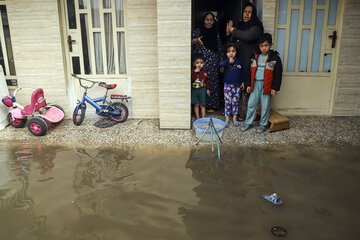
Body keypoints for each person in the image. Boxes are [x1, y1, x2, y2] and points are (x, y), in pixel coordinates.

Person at [226, 2, 264, 121]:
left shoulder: (256, 26)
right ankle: (233, 110)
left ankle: (244, 113)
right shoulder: (240, 25)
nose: (246, 14)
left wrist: (233, 30)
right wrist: (229, 33)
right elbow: (231, 42)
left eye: (249, 12)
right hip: (238, 61)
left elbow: (248, 36)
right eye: (245, 11)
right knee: (235, 86)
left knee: (246, 86)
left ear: (253, 14)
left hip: (249, 61)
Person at [240, 33, 283, 134]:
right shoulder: (254, 56)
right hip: (255, 84)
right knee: (251, 104)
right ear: (259, 46)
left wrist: (275, 87)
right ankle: (248, 122)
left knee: (265, 105)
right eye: (262, 45)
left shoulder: (274, 58)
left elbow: (278, 74)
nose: (264, 48)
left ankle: (263, 124)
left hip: (267, 85)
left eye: (266, 45)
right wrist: (248, 84)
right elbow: (249, 71)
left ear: (271, 45)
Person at [192, 12, 223, 112]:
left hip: (213, 63)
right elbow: (189, 40)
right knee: (201, 82)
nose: (209, 22)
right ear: (203, 20)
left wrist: (221, 62)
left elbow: (220, 48)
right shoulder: (198, 31)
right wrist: (197, 40)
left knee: (212, 83)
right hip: (200, 63)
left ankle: (211, 106)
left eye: (211, 20)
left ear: (214, 21)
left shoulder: (216, 32)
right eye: (207, 19)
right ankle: (200, 106)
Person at [218, 44, 244, 127]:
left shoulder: (239, 62)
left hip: (237, 86)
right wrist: (228, 61)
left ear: (236, 52)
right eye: (229, 51)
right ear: (226, 53)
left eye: (233, 51)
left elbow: (242, 73)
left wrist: (242, 82)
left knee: (235, 103)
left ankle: (234, 119)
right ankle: (227, 119)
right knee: (227, 103)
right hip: (227, 86)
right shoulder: (225, 62)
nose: (231, 53)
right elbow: (220, 64)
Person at [191, 53, 210, 119]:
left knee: (202, 104)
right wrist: (195, 73)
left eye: (201, 63)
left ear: (204, 63)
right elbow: (192, 79)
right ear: (194, 64)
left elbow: (206, 81)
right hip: (194, 90)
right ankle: (197, 117)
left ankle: (203, 117)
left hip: (202, 90)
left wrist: (207, 89)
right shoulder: (192, 71)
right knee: (196, 104)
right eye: (197, 63)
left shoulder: (204, 72)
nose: (199, 64)